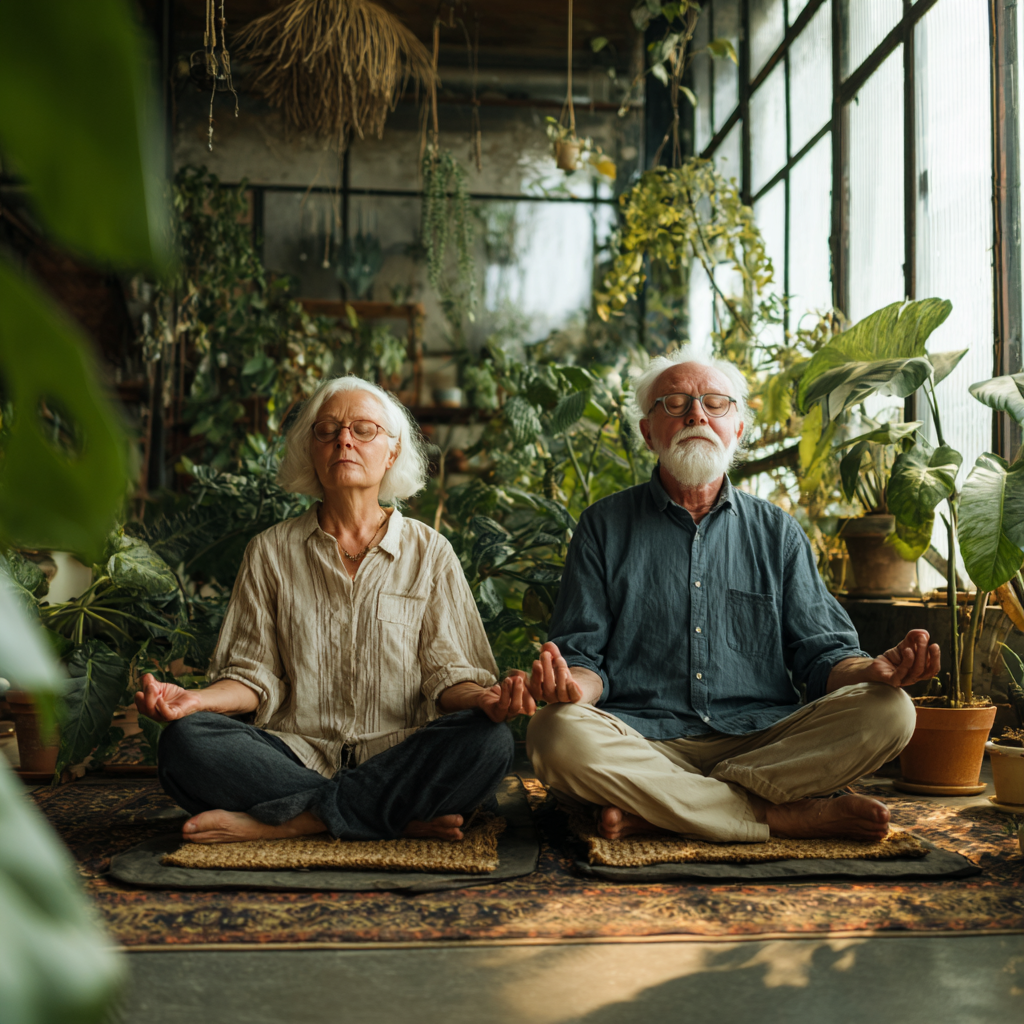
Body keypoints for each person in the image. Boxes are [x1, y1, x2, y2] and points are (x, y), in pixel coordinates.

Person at [523, 347, 939, 844]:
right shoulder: (603, 527)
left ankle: (662, 809)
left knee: (891, 711)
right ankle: (778, 815)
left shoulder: (777, 532)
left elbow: (823, 654)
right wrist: (571, 688)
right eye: (674, 404)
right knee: (553, 733)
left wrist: (870, 671)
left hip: (763, 743)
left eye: (715, 403)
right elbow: (582, 659)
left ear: (737, 429)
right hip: (645, 741)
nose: (696, 413)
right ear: (648, 432)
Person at [136, 376, 535, 845]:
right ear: (312, 451)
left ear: (392, 452)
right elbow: (251, 677)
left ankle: (294, 822)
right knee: (186, 742)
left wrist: (484, 699)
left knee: (488, 743)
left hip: (400, 755)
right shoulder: (270, 552)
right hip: (293, 754)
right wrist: (196, 700)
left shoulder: (430, 552)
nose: (343, 439)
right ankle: (390, 815)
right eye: (327, 430)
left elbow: (449, 676)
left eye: (362, 429)